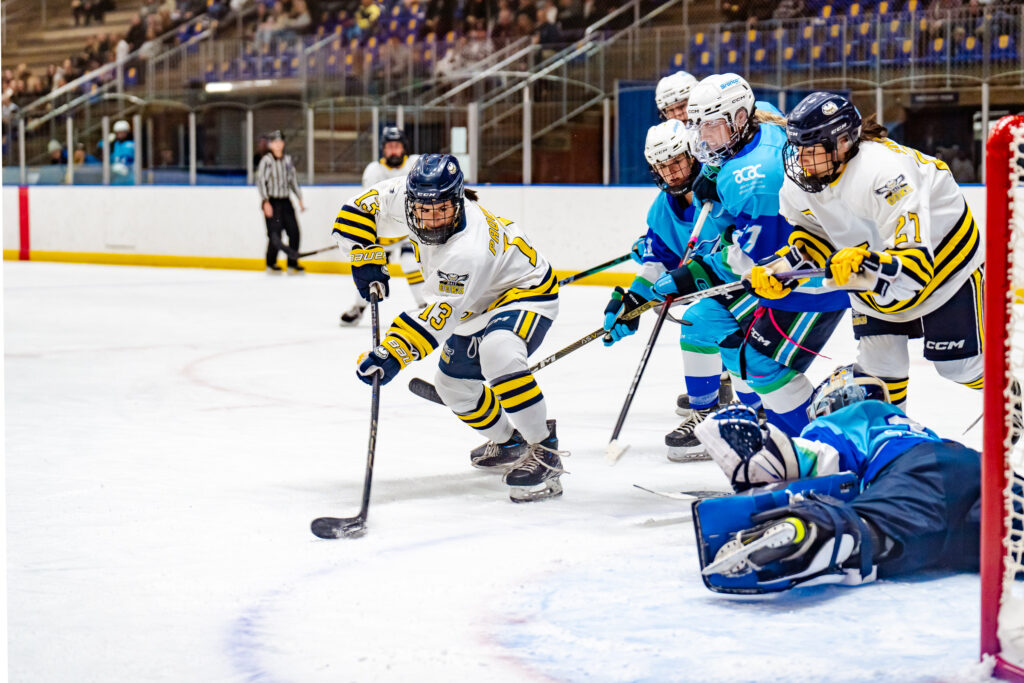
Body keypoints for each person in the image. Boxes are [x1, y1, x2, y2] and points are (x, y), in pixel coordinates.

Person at [335, 154, 566, 502]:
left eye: (440, 210)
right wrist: (363, 254)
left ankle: (545, 452)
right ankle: (510, 442)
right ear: (410, 199)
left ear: (458, 201)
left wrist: (392, 354)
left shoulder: (467, 249)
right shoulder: (406, 194)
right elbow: (354, 212)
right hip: (474, 301)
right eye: (422, 211)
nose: (430, 220)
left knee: (498, 351)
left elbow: (437, 318)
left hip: (523, 291)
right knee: (454, 387)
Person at [653, 73, 849, 439]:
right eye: (698, 127)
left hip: (809, 279)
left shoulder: (755, 178)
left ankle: (831, 447)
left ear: (739, 119)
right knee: (706, 319)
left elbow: (755, 260)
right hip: (782, 268)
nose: (703, 138)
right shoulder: (761, 116)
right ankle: (765, 423)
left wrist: (691, 274)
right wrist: (714, 171)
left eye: (710, 127)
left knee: (759, 363)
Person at [759, 91, 984, 409]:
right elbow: (815, 236)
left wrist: (865, 264)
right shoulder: (803, 181)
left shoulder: (885, 173)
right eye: (797, 149)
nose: (801, 161)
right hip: (870, 268)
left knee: (960, 367)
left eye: (811, 149)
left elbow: (915, 269)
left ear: (843, 143)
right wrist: (784, 267)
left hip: (946, 268)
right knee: (881, 372)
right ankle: (892, 444)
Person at [691, 364, 988, 594]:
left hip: (918, 472)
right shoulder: (905, 425)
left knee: (871, 532)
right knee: (994, 536)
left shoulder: (842, 420)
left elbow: (817, 457)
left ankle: (815, 531)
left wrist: (754, 453)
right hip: (977, 466)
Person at [602, 120, 735, 461]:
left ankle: (754, 414)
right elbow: (657, 263)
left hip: (753, 283)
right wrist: (632, 301)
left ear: (693, 155)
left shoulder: (723, 184)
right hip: (719, 292)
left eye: (676, 162)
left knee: (715, 331)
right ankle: (709, 416)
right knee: (697, 325)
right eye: (662, 166)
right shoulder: (662, 209)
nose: (671, 173)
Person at [340, 126, 424, 326]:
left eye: (397, 146)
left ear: (404, 147)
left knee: (410, 263)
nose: (393, 150)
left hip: (408, 232)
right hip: (382, 234)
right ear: (383, 149)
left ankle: (425, 307)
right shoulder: (374, 170)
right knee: (370, 269)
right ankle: (359, 307)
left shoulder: (415, 164)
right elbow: (368, 206)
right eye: (389, 146)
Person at [256, 130, 305, 274]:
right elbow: (261, 182)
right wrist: (265, 202)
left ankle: (292, 262)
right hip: (272, 202)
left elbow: (293, 181)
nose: (278, 145)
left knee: (294, 232)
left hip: (286, 202)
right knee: (275, 235)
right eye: (275, 142)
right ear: (271, 145)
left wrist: (300, 198)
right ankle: (271, 263)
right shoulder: (267, 161)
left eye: (280, 142)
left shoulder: (287, 161)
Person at [110, 120, 135, 185]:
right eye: (118, 133)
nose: (120, 135)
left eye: (122, 132)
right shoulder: (115, 144)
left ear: (127, 132)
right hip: (117, 180)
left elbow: (130, 160)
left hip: (129, 179)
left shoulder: (131, 145)